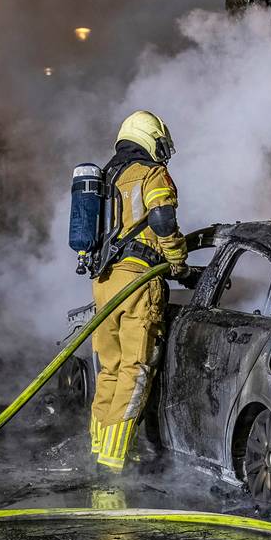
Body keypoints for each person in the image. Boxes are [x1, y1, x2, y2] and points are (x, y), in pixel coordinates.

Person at [90, 110, 191, 473]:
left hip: (104, 283)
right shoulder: (151, 174)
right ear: (151, 139)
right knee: (135, 368)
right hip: (137, 281)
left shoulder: (107, 176)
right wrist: (178, 262)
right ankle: (116, 459)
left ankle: (99, 448)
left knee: (109, 368)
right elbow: (163, 218)